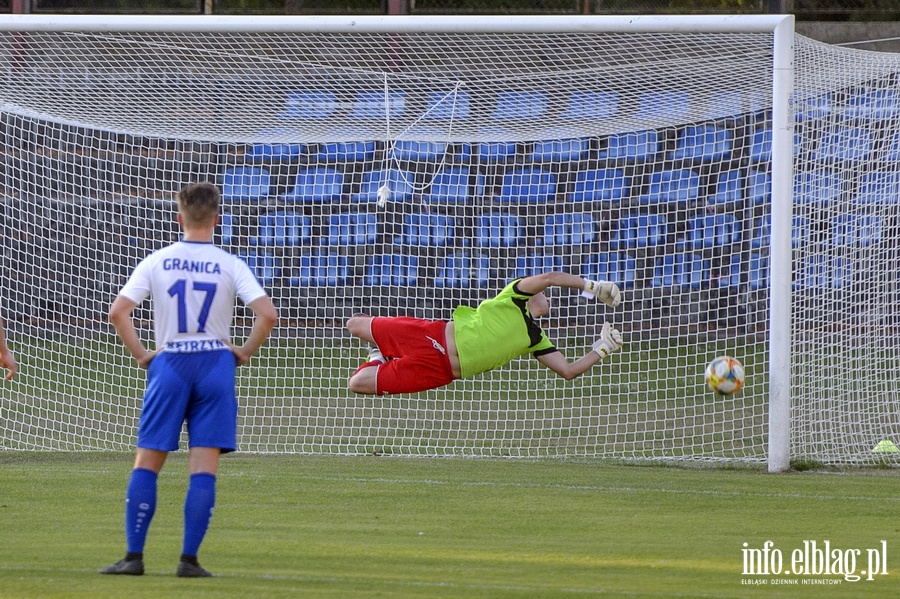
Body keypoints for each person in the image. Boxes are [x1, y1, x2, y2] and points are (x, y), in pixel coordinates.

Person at [100, 182, 277, 578]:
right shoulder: (230, 263)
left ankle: (133, 558)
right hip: (215, 364)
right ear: (217, 219)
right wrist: (244, 351)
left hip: (171, 362)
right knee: (203, 467)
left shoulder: (157, 260)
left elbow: (118, 312)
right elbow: (268, 314)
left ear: (179, 217)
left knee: (147, 462)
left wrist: (144, 355)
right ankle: (189, 561)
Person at [346, 271, 623, 395]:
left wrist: (602, 349)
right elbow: (550, 278)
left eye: (547, 296)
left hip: (439, 370)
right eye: (544, 293)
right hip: (432, 336)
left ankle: (380, 355)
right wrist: (593, 287)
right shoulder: (511, 297)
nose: (547, 295)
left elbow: (568, 371)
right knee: (354, 324)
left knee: (357, 384)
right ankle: (384, 350)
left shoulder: (535, 338)